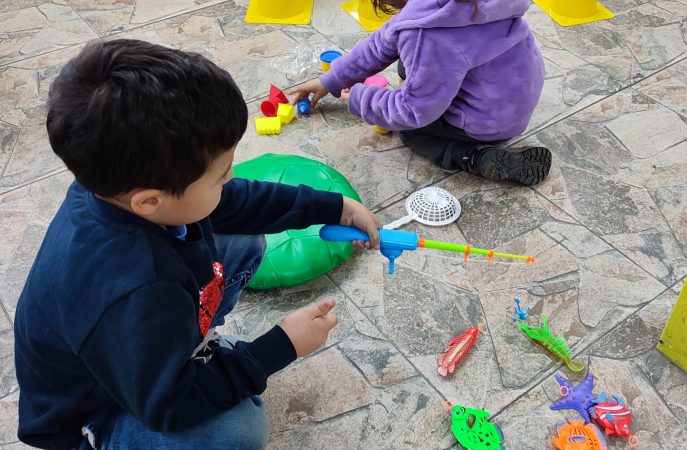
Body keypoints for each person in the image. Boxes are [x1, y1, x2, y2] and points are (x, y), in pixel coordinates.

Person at [14, 39, 381, 450]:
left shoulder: (113, 187)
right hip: (101, 410)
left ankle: (190, 352)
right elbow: (170, 405)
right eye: (220, 175)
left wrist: (335, 207)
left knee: (243, 239)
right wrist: (280, 346)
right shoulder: (136, 290)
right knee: (237, 432)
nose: (230, 179)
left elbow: (239, 202)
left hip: (136, 358)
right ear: (150, 201)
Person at [288, 0, 551, 186]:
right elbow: (383, 42)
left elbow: (413, 111)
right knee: (409, 60)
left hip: (487, 123)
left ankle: (472, 157)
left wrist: (360, 99)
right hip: (516, 99)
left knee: (410, 130)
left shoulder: (425, 33)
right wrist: (330, 80)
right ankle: (431, 86)